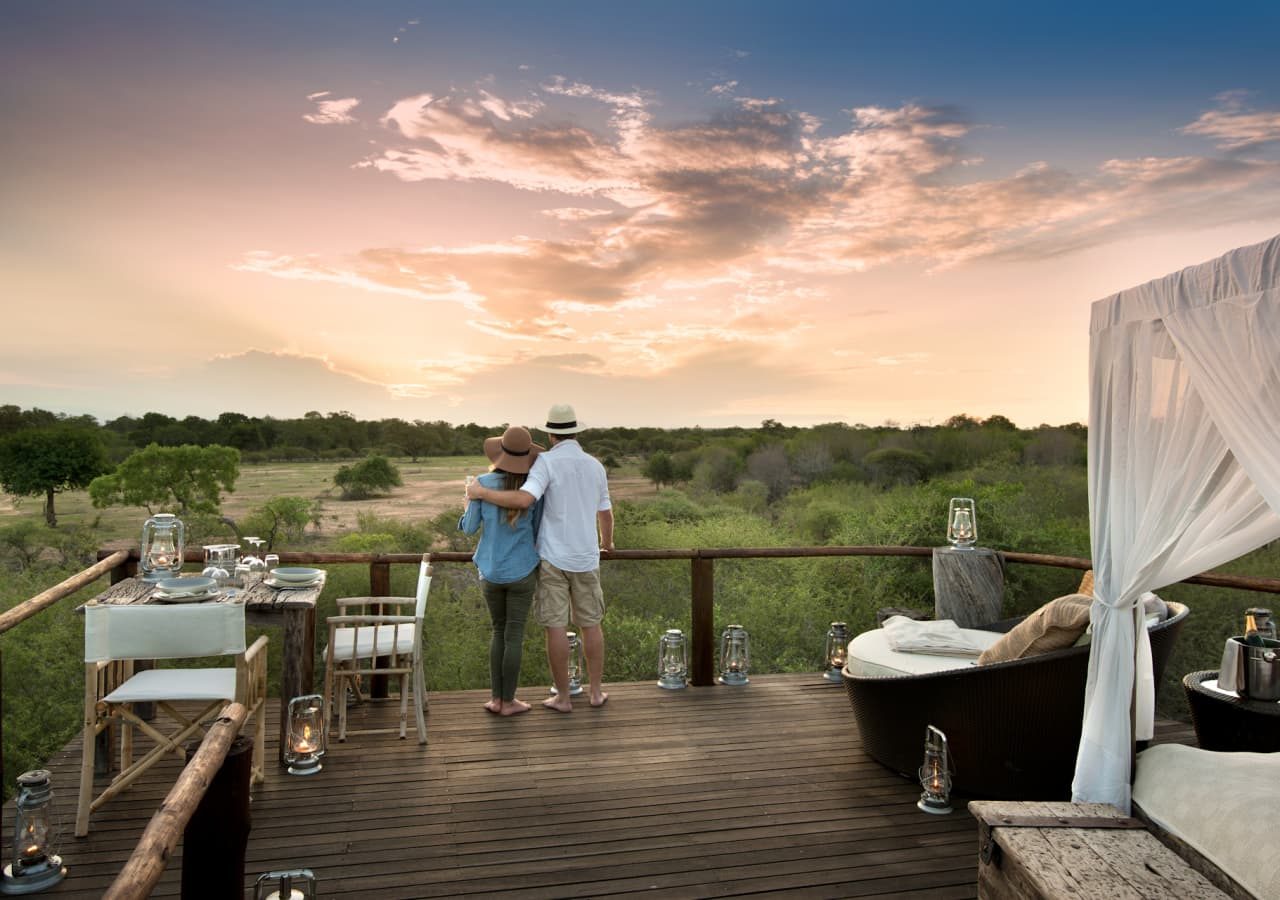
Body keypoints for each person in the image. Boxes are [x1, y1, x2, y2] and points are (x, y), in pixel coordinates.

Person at [466, 403, 613, 712]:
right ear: (575, 431)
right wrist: (607, 543)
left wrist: (480, 494)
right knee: (591, 624)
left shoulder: (545, 462)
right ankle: (596, 693)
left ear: (549, 435)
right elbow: (605, 512)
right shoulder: (595, 465)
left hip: (552, 558)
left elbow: (523, 498)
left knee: (555, 626)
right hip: (587, 556)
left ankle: (562, 697)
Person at [459, 425, 544, 716]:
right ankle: (510, 701)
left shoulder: (481, 483)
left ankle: (496, 699)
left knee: (498, 631)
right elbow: (537, 530)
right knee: (514, 635)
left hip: (490, 571)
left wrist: (468, 501)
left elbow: (469, 528)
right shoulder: (532, 487)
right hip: (522, 571)